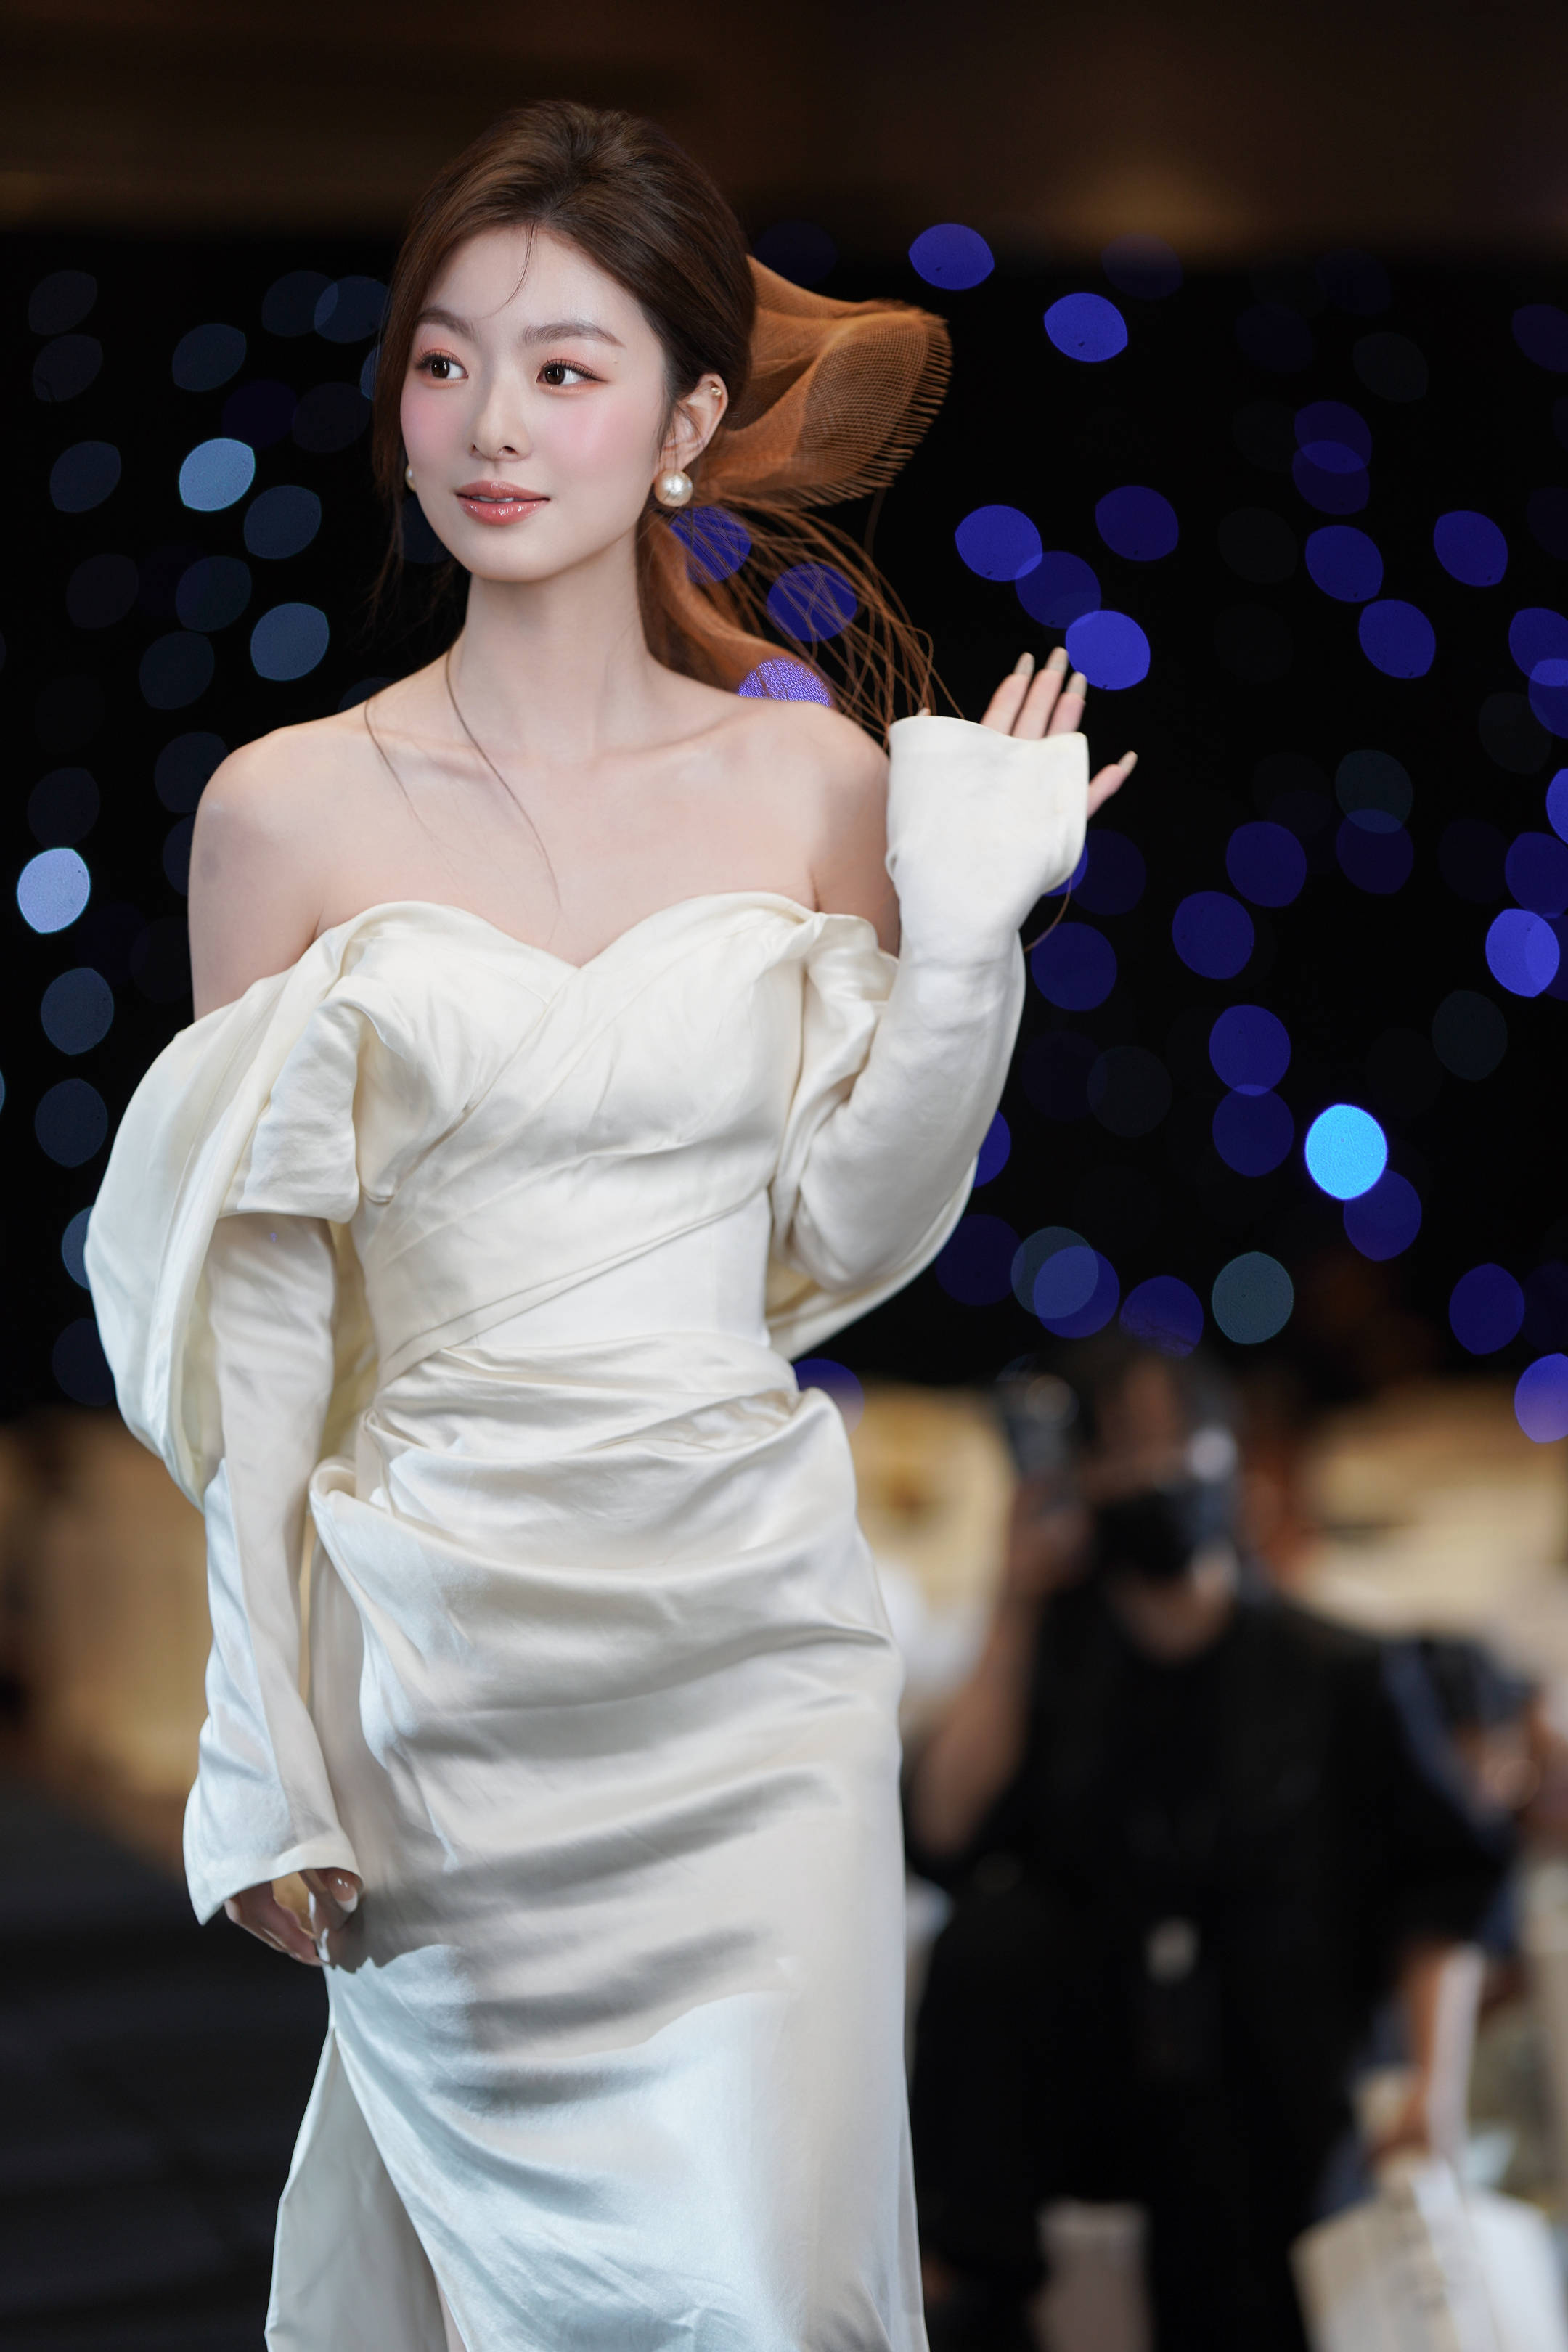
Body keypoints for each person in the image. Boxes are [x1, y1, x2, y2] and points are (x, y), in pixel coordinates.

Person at [84, 102, 1135, 2352]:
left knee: (756, 2295)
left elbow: (846, 1226)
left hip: (747, 1661)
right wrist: (265, 1738)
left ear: (684, 425)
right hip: (441, 1672)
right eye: (445, 360)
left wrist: (966, 955)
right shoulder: (282, 812)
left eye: (564, 369)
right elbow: (252, 1315)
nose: (489, 421)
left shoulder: (813, 784)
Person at [905, 1339, 1511, 2352]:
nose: (1161, 1473)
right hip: (1107, 2105)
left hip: (1283, 2099)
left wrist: (1432, 2088)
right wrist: (1016, 1599)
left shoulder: (1338, 1675)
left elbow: (1444, 1883)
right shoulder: (1067, 1677)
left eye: (1182, 1442)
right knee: (993, 1936)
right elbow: (942, 1827)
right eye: (1125, 1450)